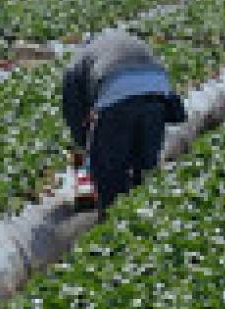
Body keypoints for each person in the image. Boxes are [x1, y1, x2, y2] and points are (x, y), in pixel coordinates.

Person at [60, 29, 186, 211]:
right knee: (145, 165)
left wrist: (85, 146)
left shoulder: (78, 61)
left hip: (117, 95)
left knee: (108, 171)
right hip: (158, 92)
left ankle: (113, 222)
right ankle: (146, 215)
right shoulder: (129, 41)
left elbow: (74, 111)